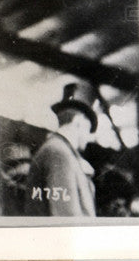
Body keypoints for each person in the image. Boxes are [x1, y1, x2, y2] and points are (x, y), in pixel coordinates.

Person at [24, 81, 99, 216]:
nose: (89, 138)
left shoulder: (57, 150)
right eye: (88, 130)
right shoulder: (59, 153)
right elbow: (66, 219)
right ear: (78, 122)